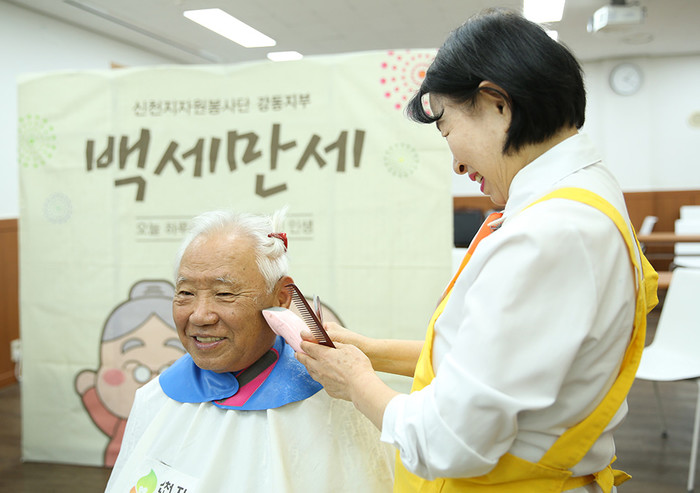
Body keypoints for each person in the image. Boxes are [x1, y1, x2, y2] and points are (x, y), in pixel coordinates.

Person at [296, 8, 658, 493]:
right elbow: (492, 364)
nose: (456, 164)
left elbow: (447, 442)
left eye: (447, 130)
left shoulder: (549, 234)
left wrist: (355, 382)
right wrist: (369, 352)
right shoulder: (585, 196)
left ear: (496, 104)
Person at [105, 209, 394, 493]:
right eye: (186, 293)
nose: (200, 315)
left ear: (281, 297)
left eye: (224, 293)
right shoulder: (155, 397)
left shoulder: (330, 405)